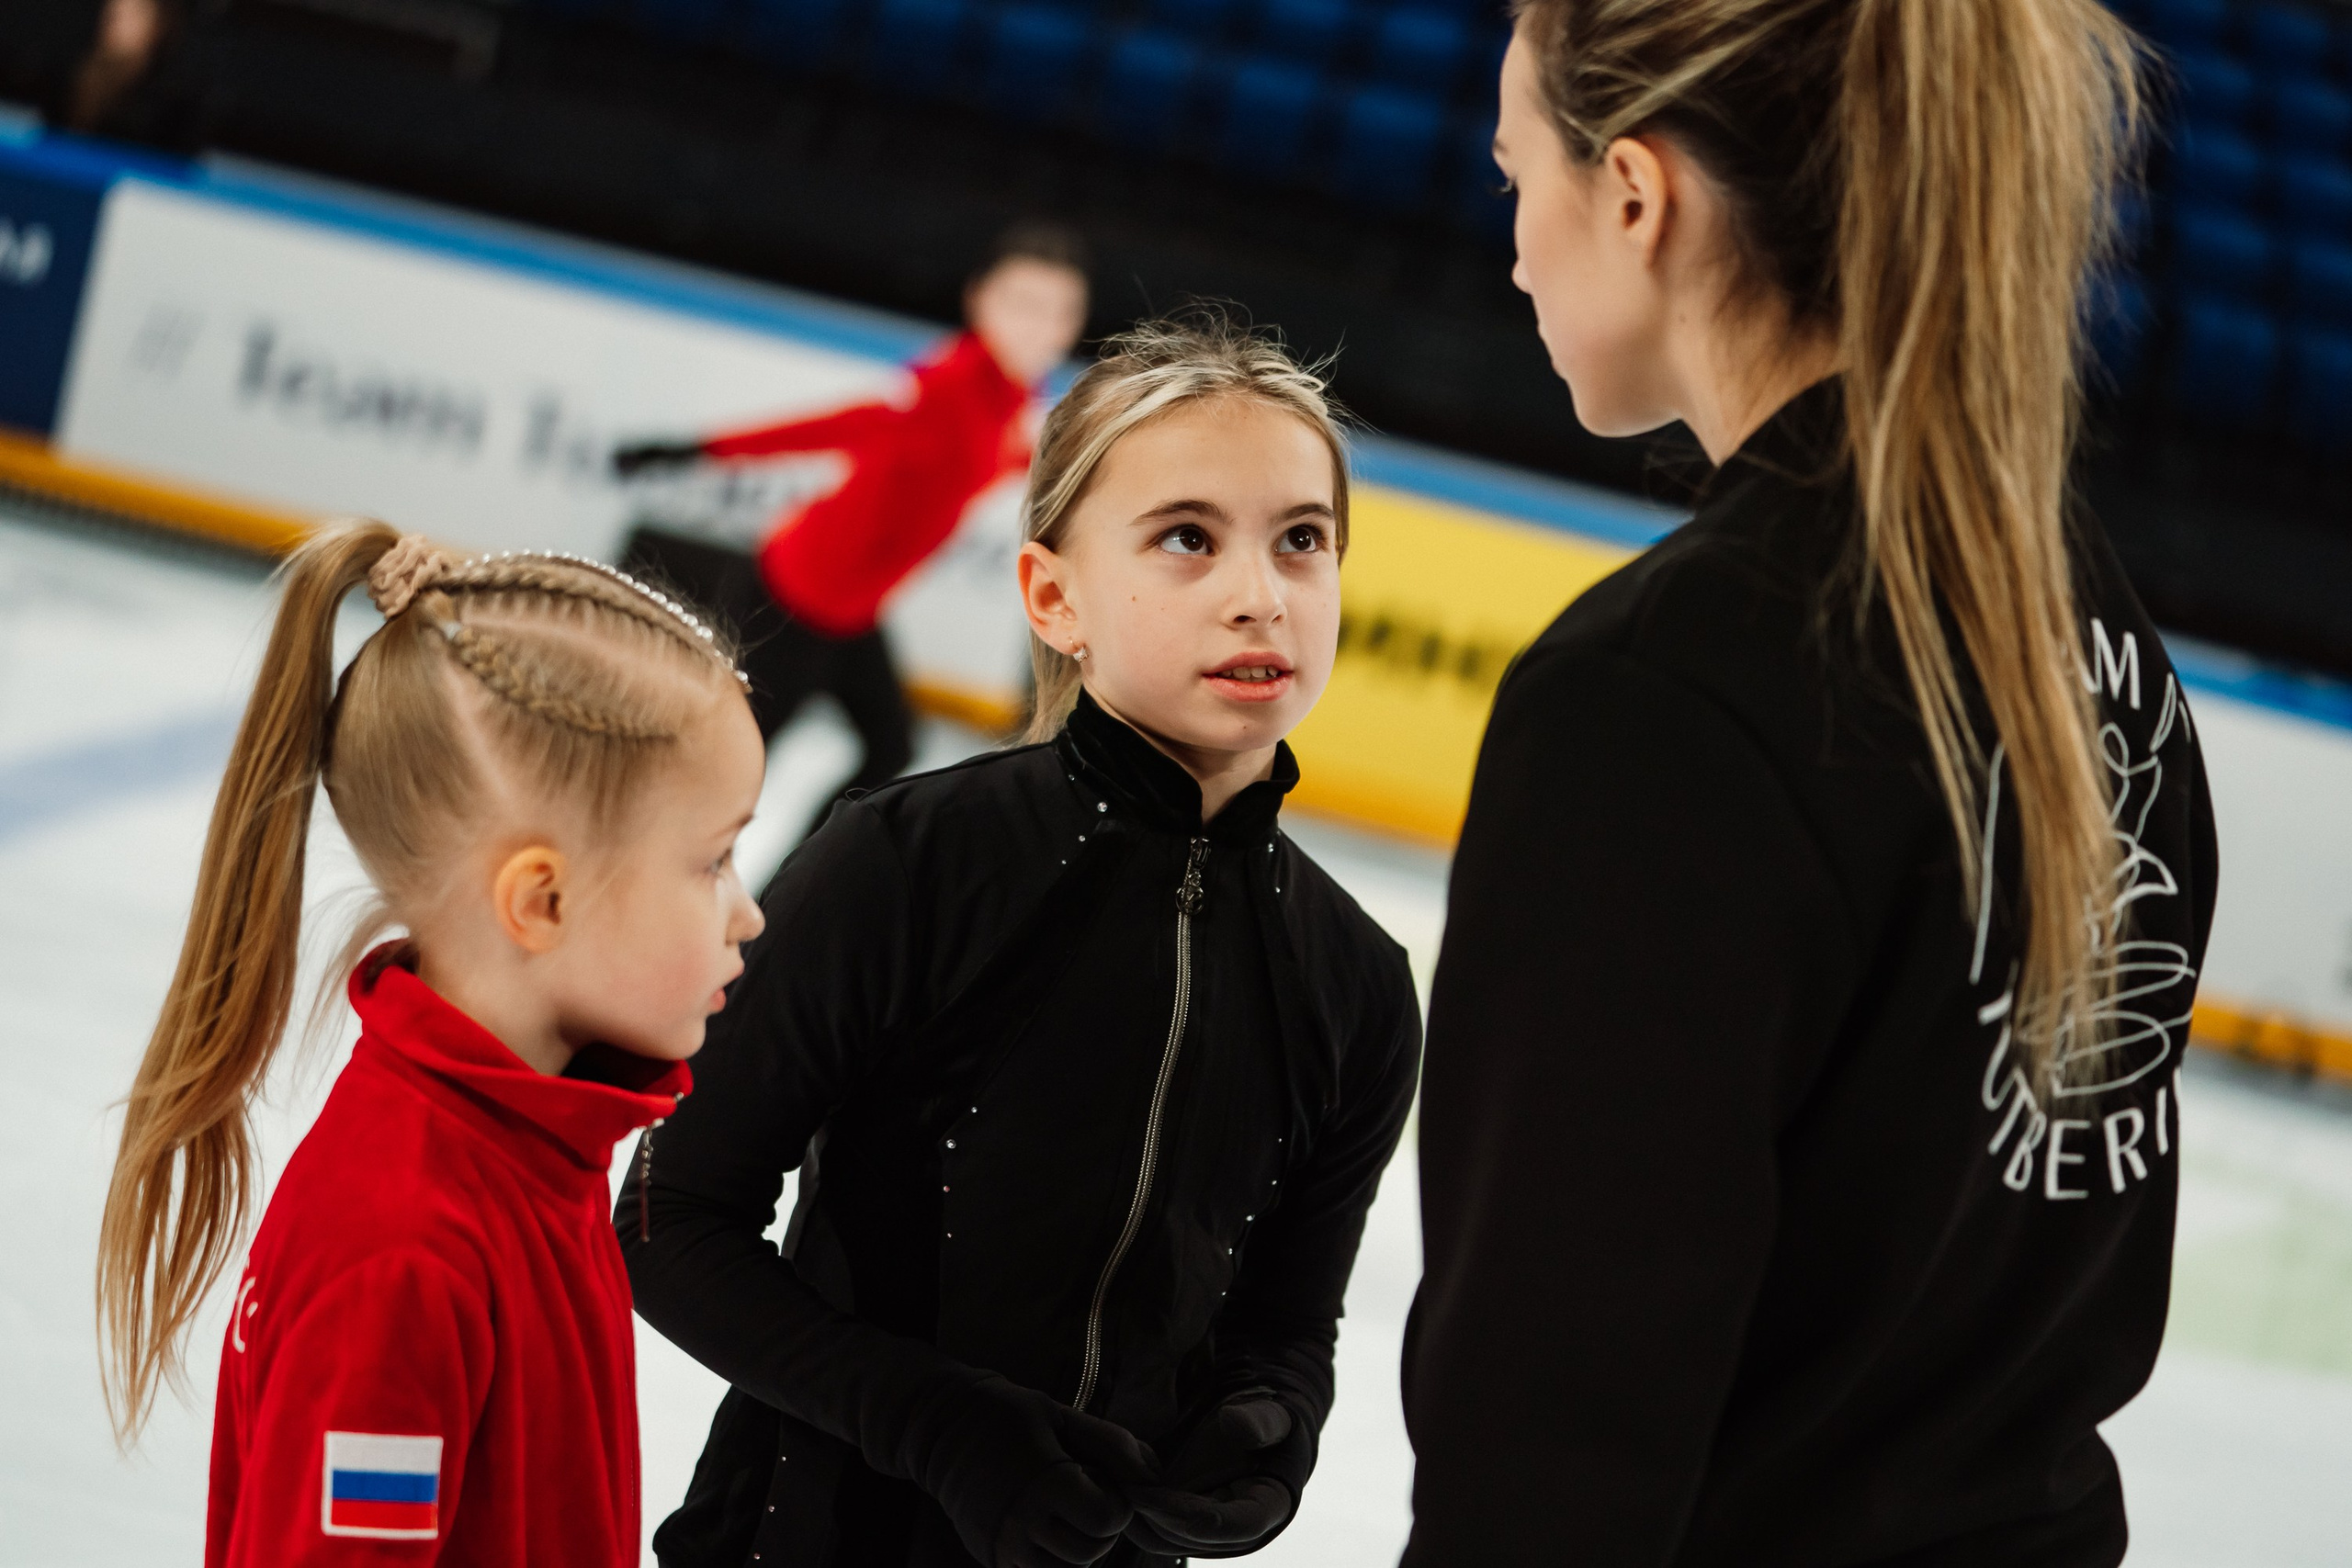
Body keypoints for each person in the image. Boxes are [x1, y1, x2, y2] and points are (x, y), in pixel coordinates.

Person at [1404, 4, 2217, 1565]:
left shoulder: (1656, 699)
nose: (1513, 247)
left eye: (1520, 180)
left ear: (1636, 196)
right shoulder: (2097, 635)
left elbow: (1546, 1457)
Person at [619, 315, 1422, 1568]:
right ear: (1054, 593)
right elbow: (672, 1215)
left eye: (1300, 540)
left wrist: (1273, 1434)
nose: (1260, 592)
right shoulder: (910, 861)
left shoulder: (1359, 988)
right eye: (1186, 538)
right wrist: (931, 1423)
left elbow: (1285, 1323)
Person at [95, 523, 767, 1564]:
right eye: (713, 861)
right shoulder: (403, 1253)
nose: (746, 914)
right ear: (540, 899)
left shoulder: (539, 1144)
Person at [612, 223, 1091, 840]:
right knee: (722, 770)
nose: (1041, 327)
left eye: (1060, 311)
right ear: (980, 300)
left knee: (889, 748)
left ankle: (791, 889)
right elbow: (835, 426)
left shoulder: (1010, 393)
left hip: (851, 612)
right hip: (792, 598)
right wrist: (695, 449)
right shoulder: (945, 385)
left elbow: (992, 458)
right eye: (1024, 304)